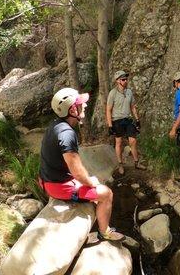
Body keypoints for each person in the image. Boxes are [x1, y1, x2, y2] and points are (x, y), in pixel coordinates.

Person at [39, 88, 125, 241]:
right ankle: (104, 232)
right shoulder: (67, 134)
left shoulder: (55, 125)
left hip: (47, 181)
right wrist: (91, 183)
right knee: (106, 194)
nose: (84, 105)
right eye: (81, 104)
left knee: (91, 181)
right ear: (72, 109)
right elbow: (78, 173)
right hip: (58, 187)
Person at [106, 70, 146, 175]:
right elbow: (108, 110)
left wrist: (137, 119)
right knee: (119, 143)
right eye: (123, 79)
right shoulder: (112, 93)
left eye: (126, 79)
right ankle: (120, 164)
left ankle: (136, 163)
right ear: (118, 81)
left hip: (128, 120)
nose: (126, 81)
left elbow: (133, 106)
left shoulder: (129, 92)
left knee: (133, 141)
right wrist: (110, 126)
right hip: (117, 121)